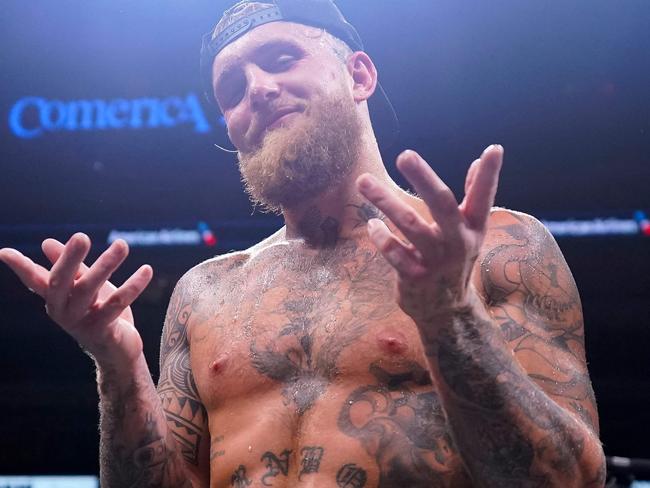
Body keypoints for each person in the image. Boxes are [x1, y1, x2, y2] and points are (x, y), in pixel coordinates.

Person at [0, 1, 606, 486]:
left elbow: (568, 480)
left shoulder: (501, 247)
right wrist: (117, 362)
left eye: (281, 58)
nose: (257, 90)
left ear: (359, 74)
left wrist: (451, 319)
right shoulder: (205, 291)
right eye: (231, 88)